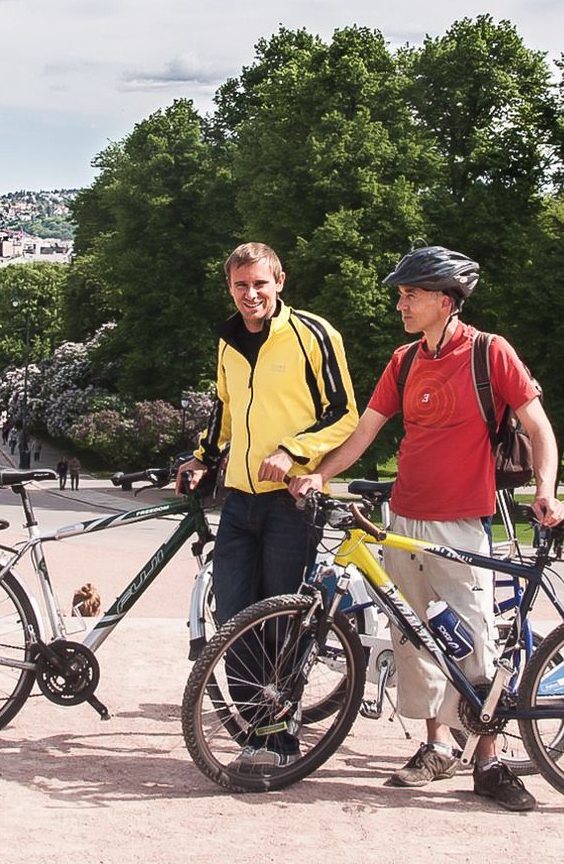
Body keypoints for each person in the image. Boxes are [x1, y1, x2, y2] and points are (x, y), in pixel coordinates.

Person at [290, 245, 564, 812]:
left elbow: (539, 427)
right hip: (403, 518)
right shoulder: (404, 361)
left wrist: (546, 490)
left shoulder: (490, 353)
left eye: (411, 294)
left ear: (446, 300)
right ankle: (437, 746)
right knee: (413, 635)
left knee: (474, 636)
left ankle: (488, 760)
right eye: (401, 295)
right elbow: (366, 431)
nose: (401, 304)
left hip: (462, 520)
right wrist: (320, 474)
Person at [177, 242, 359, 773]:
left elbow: (343, 414)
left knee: (284, 623)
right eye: (241, 285)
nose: (251, 294)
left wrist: (293, 451)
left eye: (260, 283)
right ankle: (257, 730)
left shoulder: (314, 334)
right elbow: (225, 409)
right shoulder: (228, 339)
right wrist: (203, 457)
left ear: (280, 281)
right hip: (239, 499)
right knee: (233, 619)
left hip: (292, 502)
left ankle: (280, 741)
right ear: (229, 287)